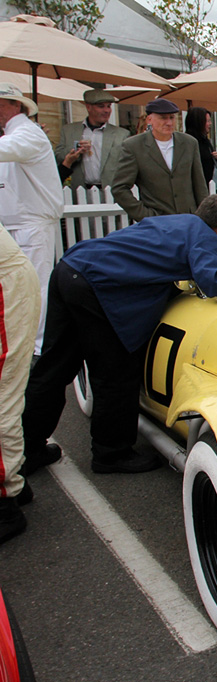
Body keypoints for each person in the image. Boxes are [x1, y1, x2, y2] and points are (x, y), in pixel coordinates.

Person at [20, 196, 217, 477]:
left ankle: (24, 449)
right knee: (115, 369)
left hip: (70, 269)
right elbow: (214, 280)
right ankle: (111, 453)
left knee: (54, 366)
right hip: (93, 285)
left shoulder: (180, 223)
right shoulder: (204, 236)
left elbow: (149, 260)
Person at [0, 83, 63, 356]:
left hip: (32, 223)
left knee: (35, 287)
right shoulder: (16, 134)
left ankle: (37, 349)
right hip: (18, 223)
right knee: (18, 288)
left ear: (16, 106)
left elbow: (7, 149)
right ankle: (24, 345)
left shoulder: (28, 133)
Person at [0, 225, 40, 545]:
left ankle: (6, 500)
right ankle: (15, 481)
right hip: (9, 279)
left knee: (2, 399)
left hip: (6, 285)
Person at [112, 98, 209, 223]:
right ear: (149, 119)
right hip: (157, 223)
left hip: (189, 220)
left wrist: (203, 218)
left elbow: (200, 185)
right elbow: (119, 188)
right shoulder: (134, 146)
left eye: (172, 117)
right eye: (163, 118)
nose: (169, 122)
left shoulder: (189, 143)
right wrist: (145, 215)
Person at [55, 88, 130, 190]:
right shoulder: (69, 130)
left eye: (109, 106)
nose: (107, 110)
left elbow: (128, 165)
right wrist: (75, 149)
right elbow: (58, 158)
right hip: (80, 190)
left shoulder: (122, 134)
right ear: (88, 107)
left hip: (111, 191)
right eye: (101, 106)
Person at [184, 106, 217, 185]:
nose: (210, 124)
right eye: (207, 121)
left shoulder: (205, 140)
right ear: (198, 122)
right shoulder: (188, 143)